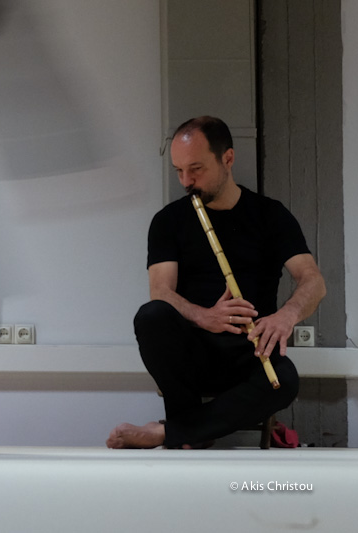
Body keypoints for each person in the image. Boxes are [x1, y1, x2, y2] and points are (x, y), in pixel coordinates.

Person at [107, 116, 326, 449]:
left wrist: (286, 316)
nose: (186, 181)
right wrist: (203, 316)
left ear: (228, 158)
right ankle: (191, 431)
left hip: (250, 353)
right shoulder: (169, 221)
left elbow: (313, 281)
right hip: (193, 353)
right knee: (151, 316)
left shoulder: (270, 215)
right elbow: (161, 292)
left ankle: (174, 433)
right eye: (179, 171)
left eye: (196, 169)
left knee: (286, 380)